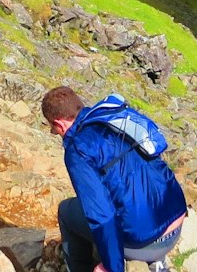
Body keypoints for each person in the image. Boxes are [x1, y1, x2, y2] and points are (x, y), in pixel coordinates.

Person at [41, 85, 188, 272]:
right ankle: (156, 263)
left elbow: (101, 215)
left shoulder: (77, 151)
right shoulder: (112, 118)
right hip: (176, 219)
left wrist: (112, 267)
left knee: (67, 212)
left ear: (59, 124)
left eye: (54, 129)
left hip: (147, 242)